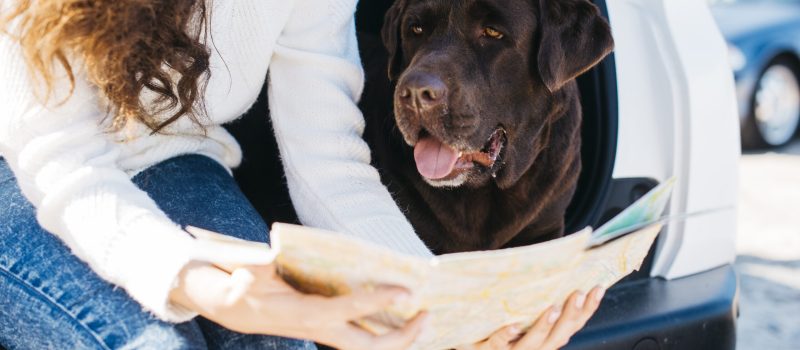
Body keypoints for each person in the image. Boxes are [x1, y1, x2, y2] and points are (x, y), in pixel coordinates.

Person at [0, 0, 603, 349]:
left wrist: (444, 320)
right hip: (22, 167)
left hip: (169, 155)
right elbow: (62, 164)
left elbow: (328, 162)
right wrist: (205, 286)